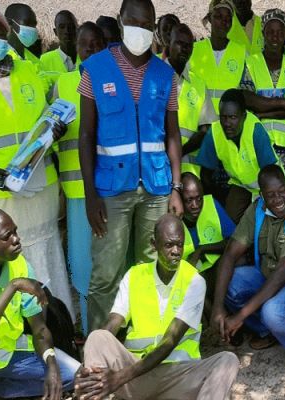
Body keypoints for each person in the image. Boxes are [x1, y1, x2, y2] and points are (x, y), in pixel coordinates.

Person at [78, 0, 184, 331]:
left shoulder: (165, 74)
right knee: (106, 273)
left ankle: (146, 343)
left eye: (147, 24)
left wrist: (176, 188)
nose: (140, 29)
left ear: (154, 27)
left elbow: (173, 135)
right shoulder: (95, 68)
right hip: (110, 190)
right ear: (121, 22)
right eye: (133, 22)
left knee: (152, 269)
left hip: (155, 188)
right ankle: (99, 351)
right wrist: (90, 194)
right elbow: (85, 134)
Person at [75, 214, 240, 400]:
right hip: (136, 374)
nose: (176, 251)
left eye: (180, 244)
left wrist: (117, 378)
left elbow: (169, 341)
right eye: (169, 245)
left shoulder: (194, 281)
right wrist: (84, 369)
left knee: (227, 360)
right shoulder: (134, 275)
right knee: (98, 337)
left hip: (177, 376)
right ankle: (89, 392)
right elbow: (113, 323)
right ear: (154, 245)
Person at [0, 10, 74, 315]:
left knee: (48, 257)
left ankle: (58, 329)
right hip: (3, 202)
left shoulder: (28, 70)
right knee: (13, 263)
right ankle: (24, 336)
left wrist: (57, 130)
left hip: (41, 188)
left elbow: (44, 122)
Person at [211, 164, 285, 374]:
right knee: (232, 285)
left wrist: (240, 316)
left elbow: (283, 273)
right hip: (269, 279)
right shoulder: (257, 209)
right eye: (271, 195)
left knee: (273, 310)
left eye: (282, 191)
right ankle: (268, 331)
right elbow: (230, 254)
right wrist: (218, 307)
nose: (279, 199)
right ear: (262, 195)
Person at [0, 208, 80, 399]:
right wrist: (13, 286)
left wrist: (51, 365)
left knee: (76, 375)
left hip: (8, 352)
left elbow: (39, 329)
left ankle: (2, 389)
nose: (16, 239)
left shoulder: (20, 265)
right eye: (7, 236)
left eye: (15, 232)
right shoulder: (17, 280)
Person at [54, 21, 106, 334]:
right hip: (77, 193)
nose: (88, 48)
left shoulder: (114, 83)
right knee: (84, 268)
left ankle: (116, 334)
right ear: (76, 48)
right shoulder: (62, 83)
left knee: (111, 264)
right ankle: (90, 333)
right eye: (84, 43)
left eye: (95, 43)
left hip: (111, 189)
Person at [241, 8, 285, 193]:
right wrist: (284, 103)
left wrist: (260, 111)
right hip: (258, 144)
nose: (274, 37)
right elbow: (246, 99)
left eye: (279, 32)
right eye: (270, 32)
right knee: (261, 195)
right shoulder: (252, 63)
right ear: (263, 34)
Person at [196, 89, 279, 222]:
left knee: (263, 223)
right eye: (224, 117)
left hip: (268, 185)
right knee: (229, 222)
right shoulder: (215, 132)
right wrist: (219, 201)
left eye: (233, 117)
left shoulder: (255, 130)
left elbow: (271, 174)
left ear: (244, 116)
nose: (227, 123)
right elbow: (205, 175)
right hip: (240, 185)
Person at [166, 23, 216, 177]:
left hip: (189, 171)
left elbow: (206, 129)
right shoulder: (153, 77)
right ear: (169, 44)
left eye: (189, 45)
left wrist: (180, 152)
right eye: (179, 43)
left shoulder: (199, 84)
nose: (185, 49)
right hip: (159, 167)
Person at [180, 172, 235, 304]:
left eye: (199, 198)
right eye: (189, 200)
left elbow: (234, 241)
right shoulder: (172, 220)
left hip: (216, 271)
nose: (195, 205)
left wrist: (202, 250)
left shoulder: (211, 204)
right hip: (185, 281)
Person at [190, 0, 246, 115]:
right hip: (199, 123)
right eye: (218, 16)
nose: (224, 22)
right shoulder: (194, 50)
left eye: (228, 18)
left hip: (229, 124)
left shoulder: (242, 52)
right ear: (210, 19)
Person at [39, 10, 78, 92]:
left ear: (77, 29)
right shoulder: (45, 60)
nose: (67, 31)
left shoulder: (87, 58)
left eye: (71, 27)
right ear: (55, 32)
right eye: (62, 27)